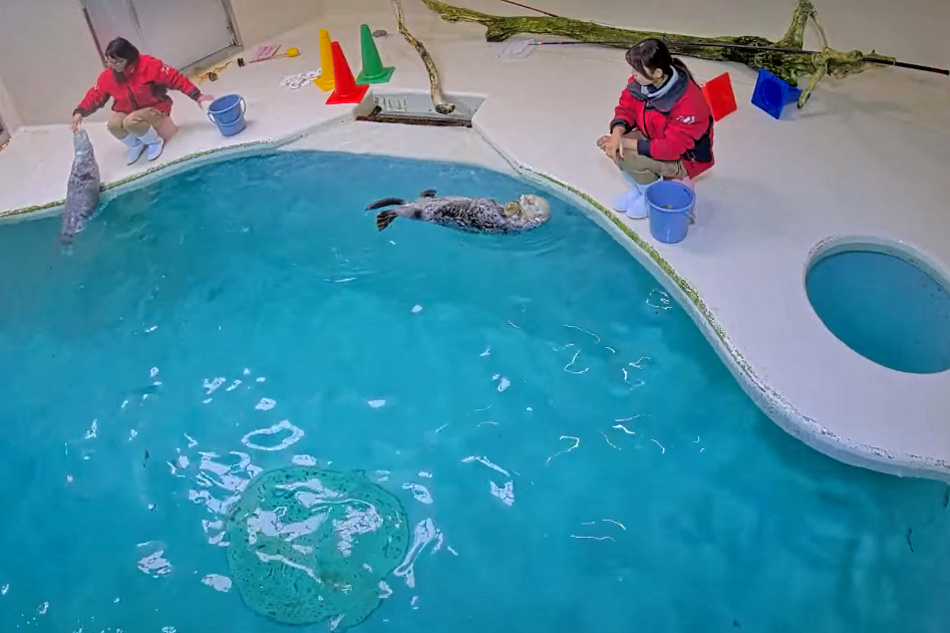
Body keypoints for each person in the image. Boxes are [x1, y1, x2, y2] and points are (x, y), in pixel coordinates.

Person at [597, 38, 714, 219]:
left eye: (637, 70)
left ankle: (649, 194)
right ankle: (640, 188)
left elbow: (671, 148)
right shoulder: (641, 83)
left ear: (658, 72)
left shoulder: (689, 102)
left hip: (684, 158)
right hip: (653, 135)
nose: (632, 74)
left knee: (627, 154)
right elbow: (625, 108)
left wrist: (625, 142)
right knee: (613, 147)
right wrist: (616, 133)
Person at [71, 38, 214, 165]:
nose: (112, 65)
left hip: (156, 107)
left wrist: (197, 95)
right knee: (113, 125)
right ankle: (136, 144)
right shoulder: (108, 76)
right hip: (128, 109)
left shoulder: (149, 65)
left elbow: (175, 78)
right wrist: (80, 111)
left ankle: (154, 141)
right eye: (109, 60)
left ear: (129, 59)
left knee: (131, 121)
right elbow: (96, 95)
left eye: (117, 61)